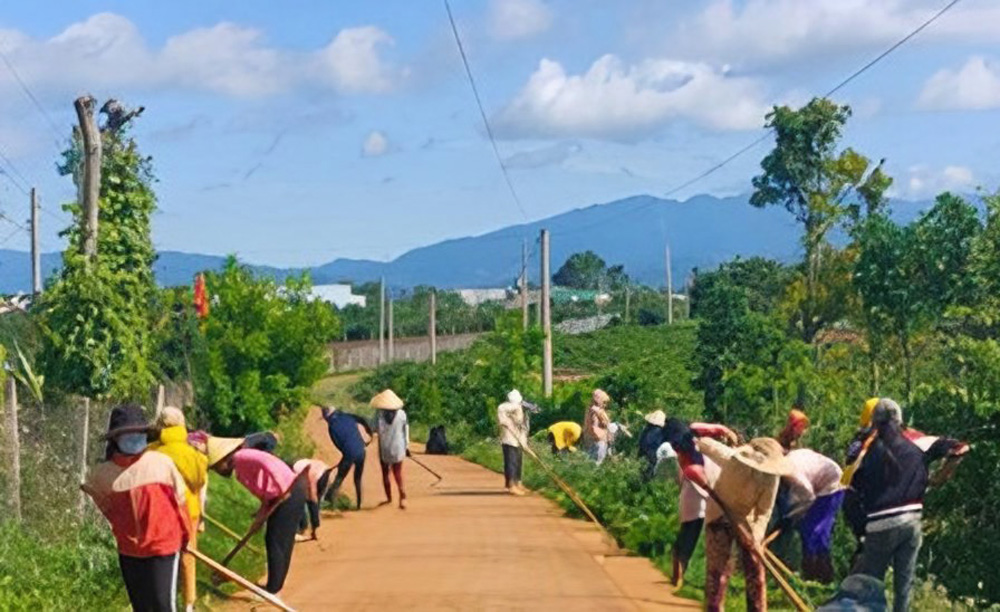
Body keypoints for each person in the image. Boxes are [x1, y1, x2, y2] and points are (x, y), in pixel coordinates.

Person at [850, 399, 969, 612]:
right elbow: (960, 448)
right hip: (910, 521)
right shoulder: (917, 440)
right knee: (903, 586)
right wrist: (939, 478)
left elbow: (852, 486)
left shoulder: (866, 448)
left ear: (875, 422)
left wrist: (860, 529)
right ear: (900, 419)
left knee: (872, 587)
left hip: (878, 524)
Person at [84, 405, 190, 612]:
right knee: (141, 607)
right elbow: (107, 510)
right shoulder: (102, 475)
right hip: (129, 551)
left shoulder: (161, 463)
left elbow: (181, 503)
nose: (134, 438)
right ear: (115, 438)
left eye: (138, 433)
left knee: (163, 606)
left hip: (163, 547)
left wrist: (186, 538)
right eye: (127, 434)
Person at [691, 437, 791, 612]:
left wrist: (755, 539)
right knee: (717, 573)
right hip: (718, 515)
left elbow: (764, 512)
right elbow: (706, 444)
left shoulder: (771, 478)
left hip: (747, 521)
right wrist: (697, 440)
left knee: (756, 571)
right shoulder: (733, 458)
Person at [208, 436, 306, 597]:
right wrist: (260, 517)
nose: (218, 471)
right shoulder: (241, 466)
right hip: (286, 493)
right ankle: (275, 585)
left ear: (223, 459)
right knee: (279, 541)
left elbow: (270, 466)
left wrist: (283, 490)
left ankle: (273, 589)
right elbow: (266, 494)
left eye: (216, 467)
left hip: (289, 493)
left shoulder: (242, 457)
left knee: (276, 541)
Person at [660, 417, 737, 588]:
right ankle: (680, 572)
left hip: (692, 492)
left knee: (688, 531)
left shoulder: (681, 449)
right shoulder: (691, 441)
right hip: (700, 490)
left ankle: (679, 569)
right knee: (692, 533)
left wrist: (725, 433)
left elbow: (717, 430)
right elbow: (701, 478)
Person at [149, 407, 208, 612]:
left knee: (162, 558)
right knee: (187, 557)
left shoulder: (151, 450)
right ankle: (189, 604)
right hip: (188, 511)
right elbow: (200, 481)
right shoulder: (192, 453)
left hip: (160, 513)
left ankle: (162, 599)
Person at [779, 448, 845, 583]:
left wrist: (791, 517)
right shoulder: (790, 459)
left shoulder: (792, 473)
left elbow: (808, 496)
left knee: (815, 530)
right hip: (819, 482)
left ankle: (822, 575)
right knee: (809, 530)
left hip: (832, 484)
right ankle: (813, 575)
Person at [321, 406, 373, 509]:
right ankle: (359, 505)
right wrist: (369, 432)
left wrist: (346, 456)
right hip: (361, 450)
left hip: (349, 452)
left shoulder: (331, 427)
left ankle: (331, 503)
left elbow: (338, 444)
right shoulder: (347, 416)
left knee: (340, 477)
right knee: (357, 478)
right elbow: (362, 419)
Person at [371, 389, 410, 509]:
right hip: (398, 447)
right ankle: (402, 496)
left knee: (385, 473)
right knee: (397, 473)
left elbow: (374, 429)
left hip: (384, 447)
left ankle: (389, 498)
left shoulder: (379, 415)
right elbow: (406, 431)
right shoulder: (402, 414)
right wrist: (407, 446)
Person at [497, 389, 530, 495]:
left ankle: (517, 483)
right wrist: (503, 421)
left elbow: (523, 428)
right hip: (509, 440)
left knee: (517, 463)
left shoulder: (520, 410)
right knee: (511, 463)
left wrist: (524, 443)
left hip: (517, 440)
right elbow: (501, 408)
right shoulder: (508, 407)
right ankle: (511, 486)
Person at [292, 458, 332, 541]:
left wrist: (313, 499)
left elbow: (312, 492)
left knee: (312, 501)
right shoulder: (299, 469)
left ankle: (314, 529)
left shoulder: (310, 473)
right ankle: (306, 527)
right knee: (304, 499)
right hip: (324, 470)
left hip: (322, 474)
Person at [582, 389, 612, 464]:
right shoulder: (597, 411)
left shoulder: (589, 409)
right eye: (604, 402)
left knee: (589, 460)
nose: (605, 405)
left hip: (589, 438)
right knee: (597, 461)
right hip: (599, 439)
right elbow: (605, 423)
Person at [638, 410, 667, 479]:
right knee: (648, 475)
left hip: (644, 452)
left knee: (641, 473)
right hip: (652, 454)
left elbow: (642, 441)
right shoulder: (659, 431)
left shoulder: (647, 429)